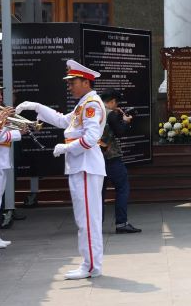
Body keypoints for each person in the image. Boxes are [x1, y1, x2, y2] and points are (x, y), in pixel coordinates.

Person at [17, 60, 108, 279]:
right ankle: (89, 263)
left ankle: (91, 266)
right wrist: (37, 107)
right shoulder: (83, 104)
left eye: (72, 82)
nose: (69, 87)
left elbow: (91, 138)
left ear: (85, 82)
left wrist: (66, 147)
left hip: (86, 166)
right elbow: (61, 120)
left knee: (87, 219)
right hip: (80, 166)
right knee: (84, 218)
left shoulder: (91, 104)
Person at [99, 89, 141, 234]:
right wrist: (126, 121)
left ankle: (96, 226)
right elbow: (120, 132)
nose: (117, 106)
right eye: (116, 102)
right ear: (112, 101)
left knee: (99, 194)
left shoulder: (94, 111)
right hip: (111, 158)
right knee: (122, 188)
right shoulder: (110, 114)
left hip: (95, 159)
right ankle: (122, 223)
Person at [0, 85, 24, 251]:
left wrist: (17, 125)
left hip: (2, 160)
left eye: (0, 93)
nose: (0, 97)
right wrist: (17, 134)